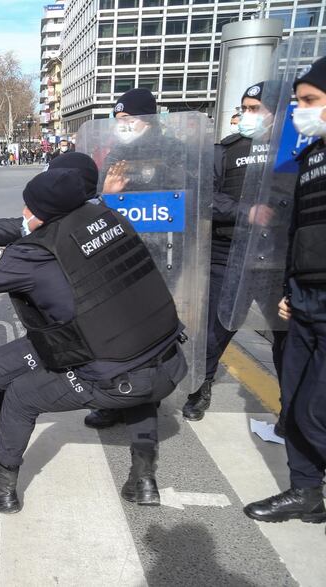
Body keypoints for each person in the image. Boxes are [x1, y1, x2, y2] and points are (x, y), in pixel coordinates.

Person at [0, 168, 187, 512]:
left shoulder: (37, 252)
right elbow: (13, 252)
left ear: (49, 215)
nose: (24, 214)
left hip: (109, 371)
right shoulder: (105, 217)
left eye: (31, 210)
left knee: (20, 394)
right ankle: (144, 480)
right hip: (165, 358)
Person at [244, 56, 326, 527]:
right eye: (297, 101)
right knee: (294, 404)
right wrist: (291, 287)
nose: (300, 111)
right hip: (305, 301)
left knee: (317, 413)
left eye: (310, 101)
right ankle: (305, 492)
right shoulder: (311, 154)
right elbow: (301, 230)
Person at [182, 81, 287, 421]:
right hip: (227, 254)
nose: (246, 115)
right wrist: (247, 212)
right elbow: (204, 196)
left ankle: (293, 406)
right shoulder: (225, 151)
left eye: (256, 109)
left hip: (276, 260)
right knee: (214, 330)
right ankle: (201, 386)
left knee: (288, 338)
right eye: (245, 108)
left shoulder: (295, 152)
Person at [84, 87, 187, 429]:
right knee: (115, 330)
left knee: (153, 331)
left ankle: (147, 400)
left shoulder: (173, 151)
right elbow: (100, 199)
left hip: (160, 253)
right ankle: (114, 400)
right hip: (120, 253)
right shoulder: (116, 152)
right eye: (117, 118)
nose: (120, 124)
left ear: (148, 118)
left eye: (126, 118)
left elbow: (187, 198)